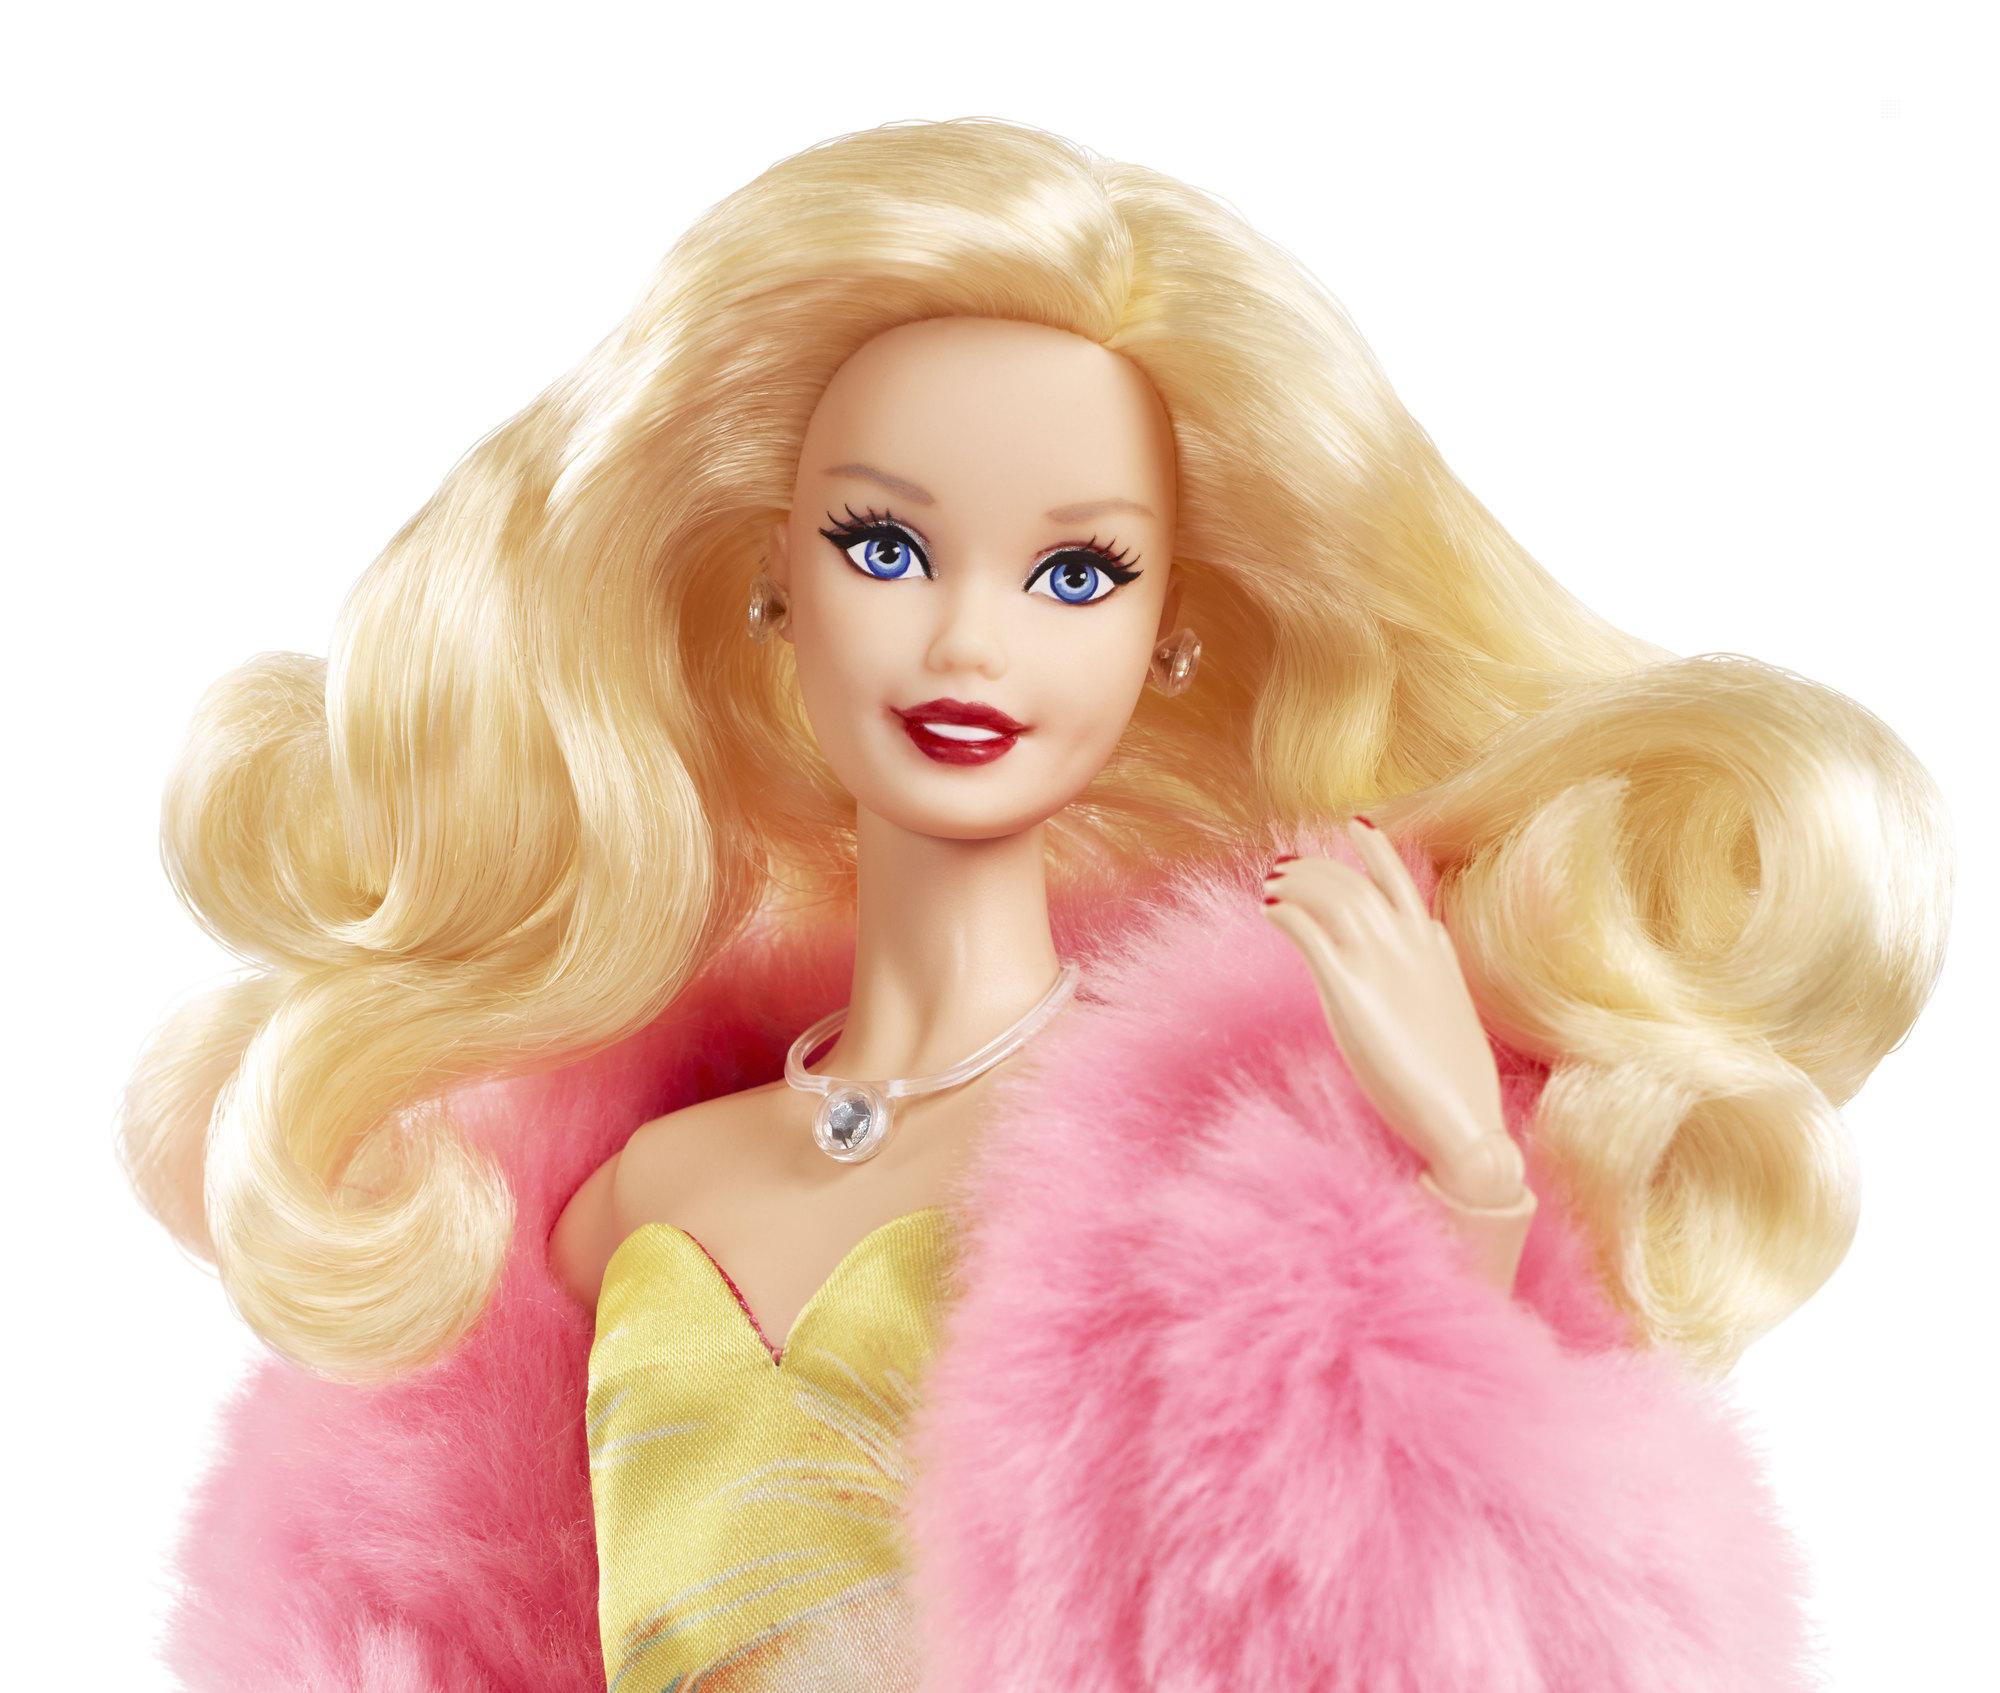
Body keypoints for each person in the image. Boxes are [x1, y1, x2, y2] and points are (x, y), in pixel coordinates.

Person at [122, 118, 1949, 1691]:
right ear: (770, 586)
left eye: (1075, 571)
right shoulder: (622, 1194)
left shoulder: (1212, 1162)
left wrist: (1464, 1182)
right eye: (884, 545)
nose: (969, 638)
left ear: (1174, 634)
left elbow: (1390, 1609)